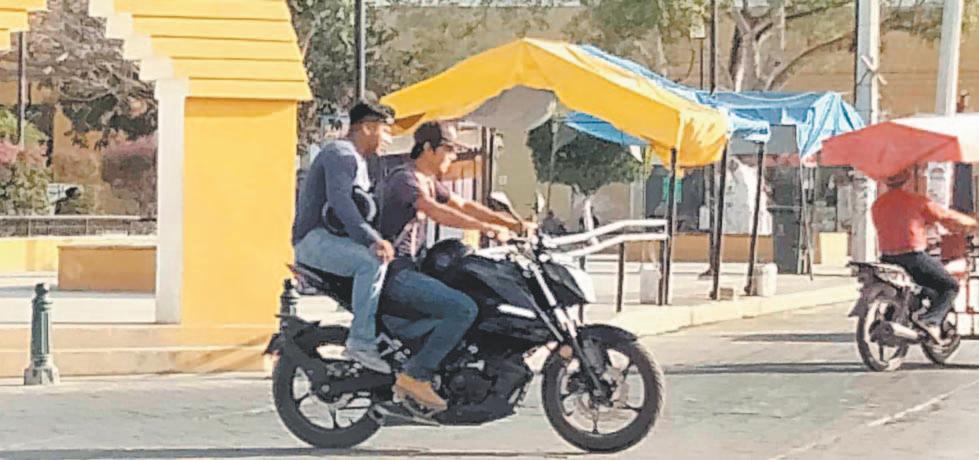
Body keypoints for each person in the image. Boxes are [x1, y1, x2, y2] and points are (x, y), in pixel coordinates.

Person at [379, 121, 528, 411]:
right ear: (428, 148)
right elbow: (436, 211)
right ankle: (415, 376)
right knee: (463, 308)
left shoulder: (427, 180)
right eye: (448, 149)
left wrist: (514, 224)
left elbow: (463, 205)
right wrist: (486, 228)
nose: (453, 155)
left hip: (413, 268)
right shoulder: (405, 179)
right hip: (397, 272)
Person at [292, 101, 396, 374]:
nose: (389, 139)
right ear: (368, 128)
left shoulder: (357, 159)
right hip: (313, 240)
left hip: (330, 240)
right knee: (370, 262)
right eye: (386, 131)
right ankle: (361, 342)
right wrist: (372, 239)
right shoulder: (342, 154)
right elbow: (341, 202)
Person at [872, 168, 979, 339]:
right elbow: (946, 217)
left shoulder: (878, 204)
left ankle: (898, 315)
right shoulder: (915, 201)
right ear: (908, 178)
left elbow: (898, 222)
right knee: (950, 286)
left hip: (887, 256)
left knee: (916, 286)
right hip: (913, 257)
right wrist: (972, 223)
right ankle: (931, 321)